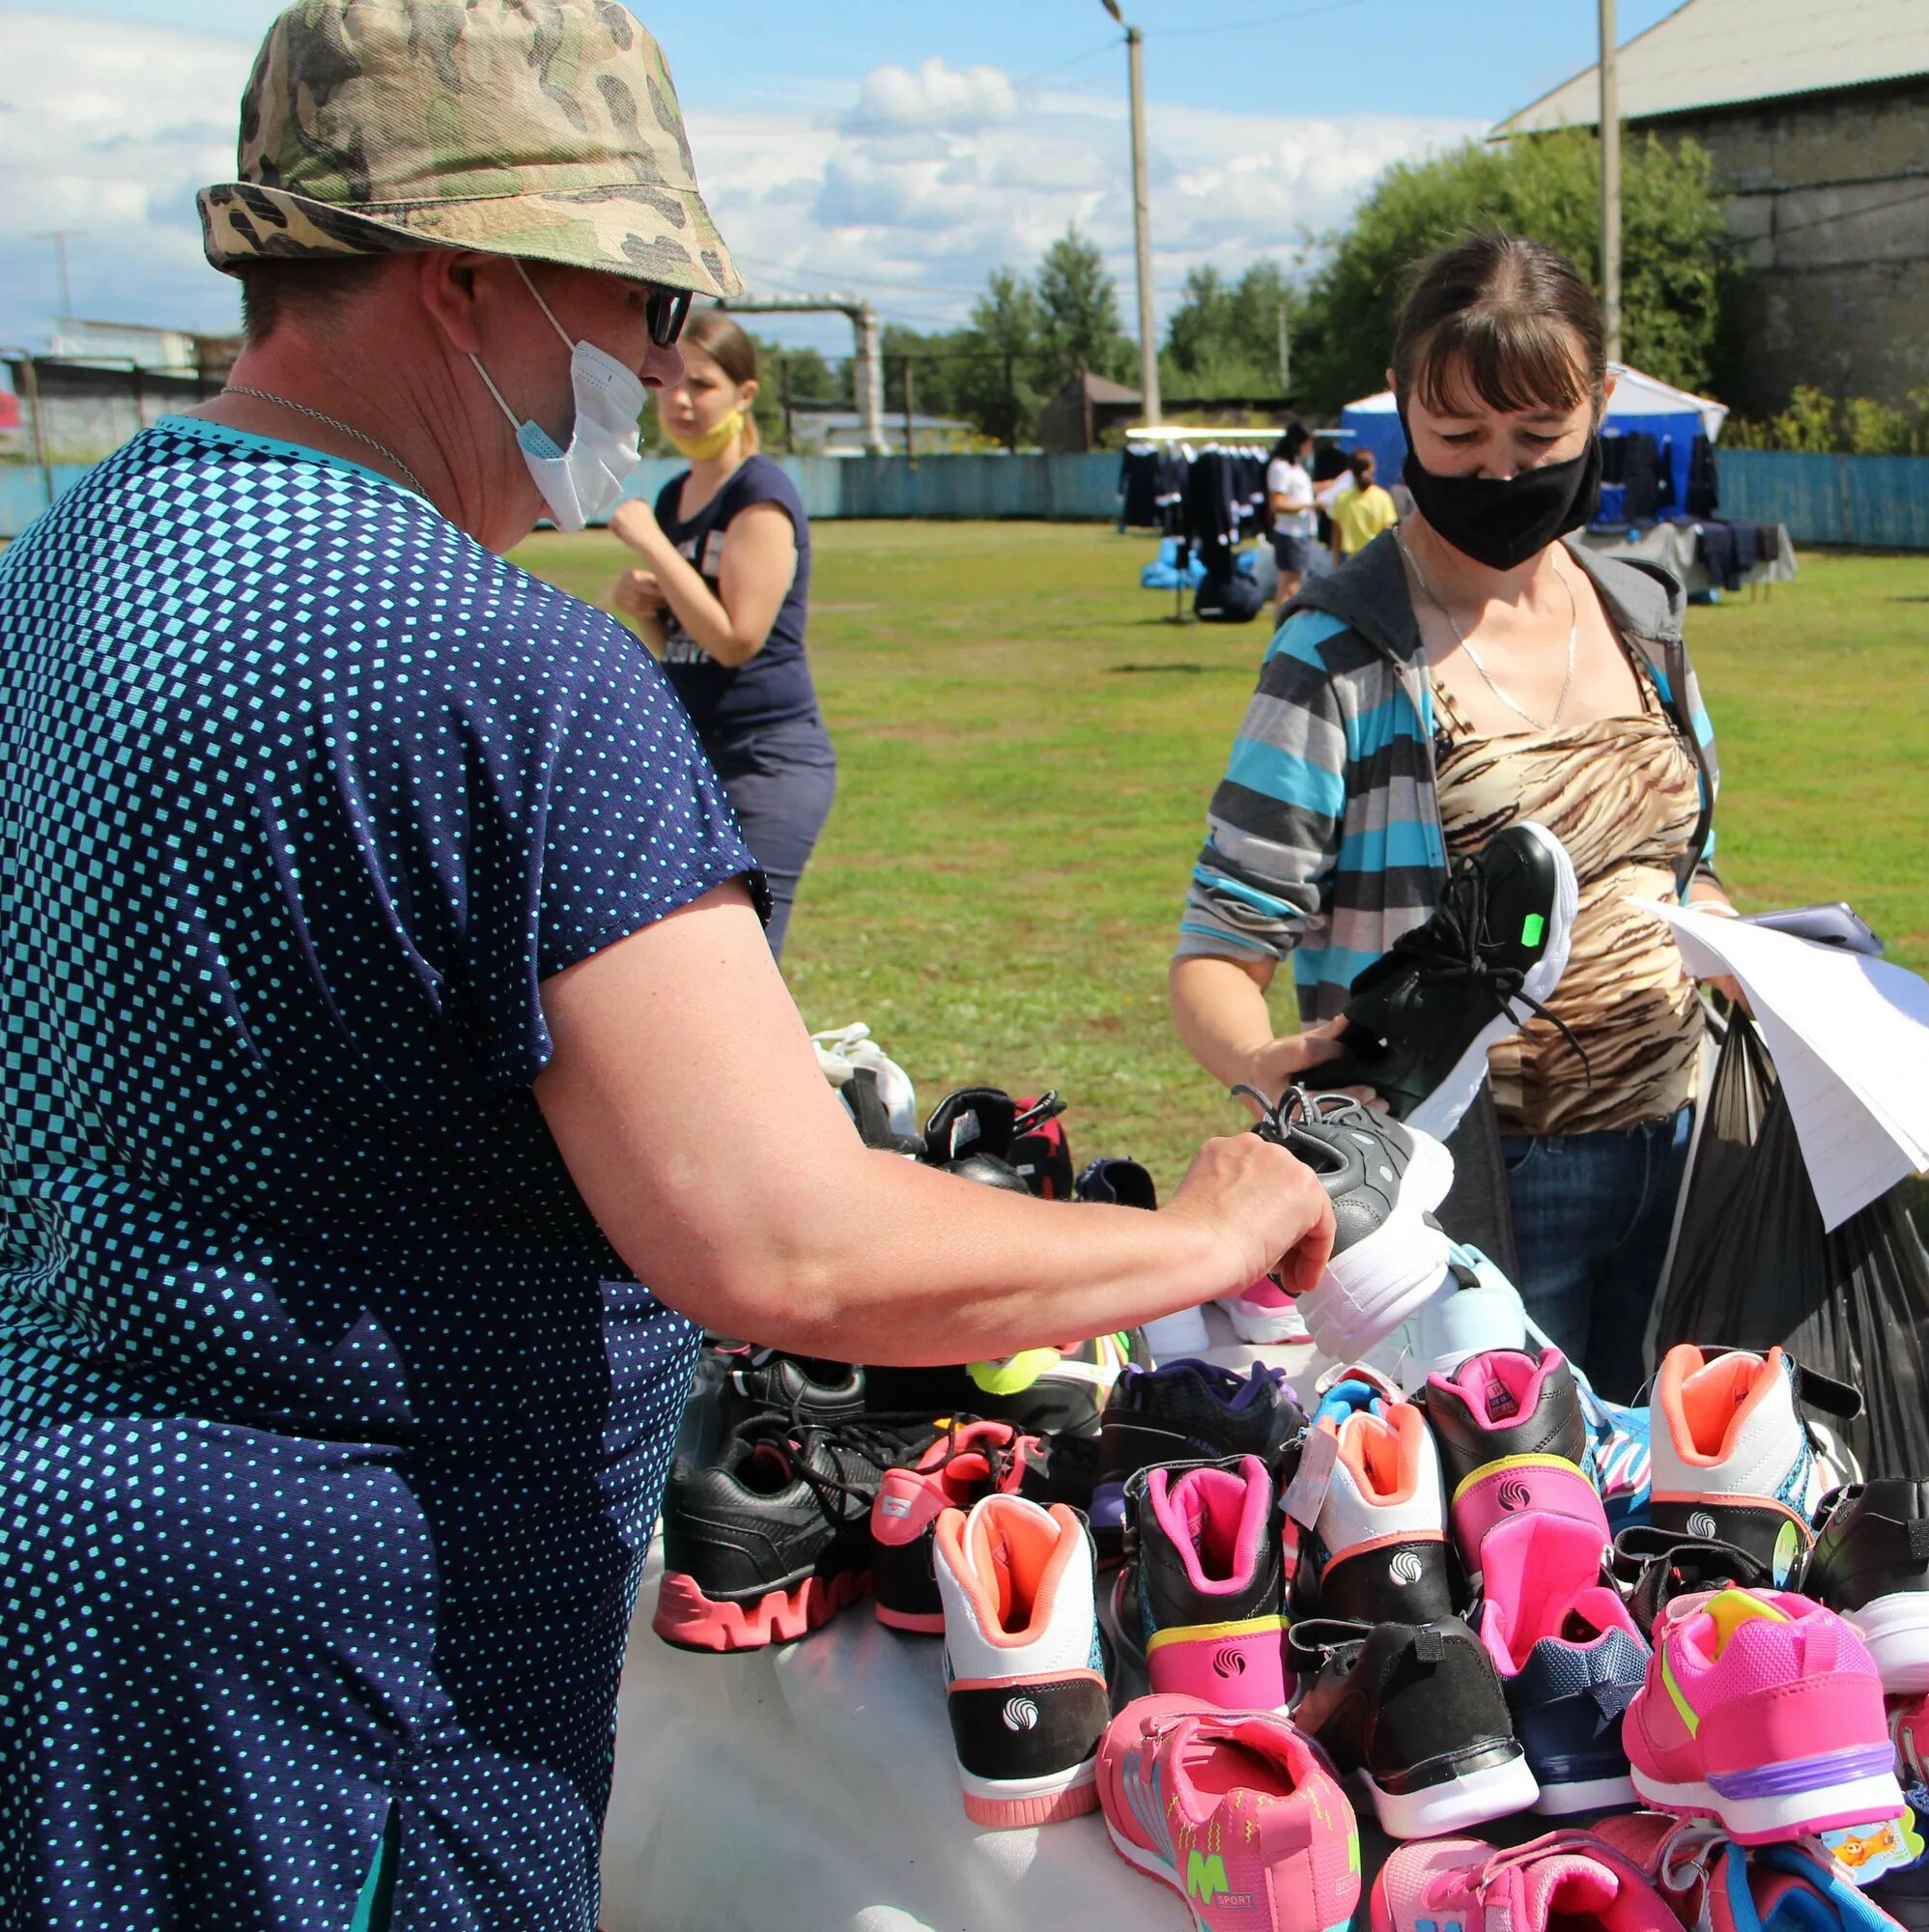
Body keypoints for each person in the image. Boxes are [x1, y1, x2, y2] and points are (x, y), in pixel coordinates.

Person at [0, 8, 1335, 1923]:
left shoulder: (78, 550)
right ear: (463, 278)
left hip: (73, 1557)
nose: (655, 360)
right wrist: (1200, 1237)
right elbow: (782, 1242)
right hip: (341, 1664)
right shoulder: (496, 670)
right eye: (634, 303)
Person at [1171, 231, 1733, 1387]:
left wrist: (1763, 958)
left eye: (1539, 436)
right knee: (1520, 1506)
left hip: (1686, 1148)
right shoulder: (1337, 652)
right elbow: (1217, 953)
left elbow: (1690, 868)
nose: (1500, 470)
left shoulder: (1641, 613)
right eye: (1458, 435)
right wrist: (1267, 1061)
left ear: (1603, 401)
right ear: (1402, 414)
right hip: (1479, 1178)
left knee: (1667, 1498)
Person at [608, 311, 833, 960]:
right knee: (681, 954)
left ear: (745, 394)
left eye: (702, 385)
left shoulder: (760, 496)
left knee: (746, 960)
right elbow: (683, 645)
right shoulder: (676, 493)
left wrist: (653, 545)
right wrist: (643, 605)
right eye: (670, 382)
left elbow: (737, 640)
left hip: (768, 759)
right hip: (693, 755)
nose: (679, 401)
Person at [1266, 419, 1320, 605]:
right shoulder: (1280, 467)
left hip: (1301, 532)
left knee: (1292, 584)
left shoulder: (1295, 467)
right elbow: (1277, 504)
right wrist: (1311, 505)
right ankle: (1285, 628)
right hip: (1290, 533)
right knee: (1290, 586)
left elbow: (1302, 491)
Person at [1327, 444, 1397, 560]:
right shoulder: (1382, 498)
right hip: (1377, 559)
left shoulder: (1342, 499)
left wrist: (1336, 562)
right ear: (1373, 468)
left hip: (1352, 560)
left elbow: (1336, 536)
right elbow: (1388, 534)